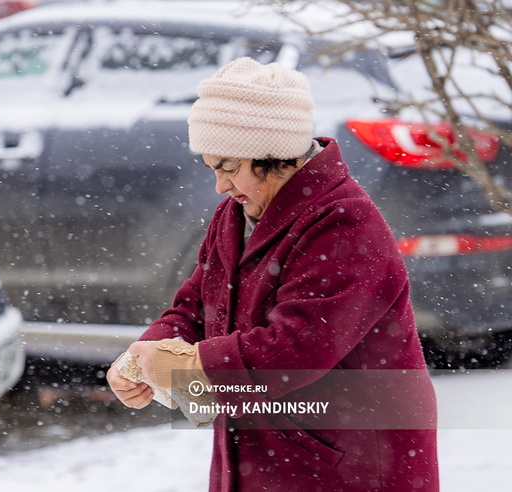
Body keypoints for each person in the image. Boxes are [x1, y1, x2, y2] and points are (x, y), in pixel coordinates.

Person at [106, 57, 439, 491]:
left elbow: (297, 347)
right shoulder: (236, 212)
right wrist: (146, 354)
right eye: (212, 168)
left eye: (228, 165)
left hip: (346, 462)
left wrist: (187, 367)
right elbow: (197, 304)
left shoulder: (344, 223)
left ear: (272, 153)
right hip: (267, 454)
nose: (220, 185)